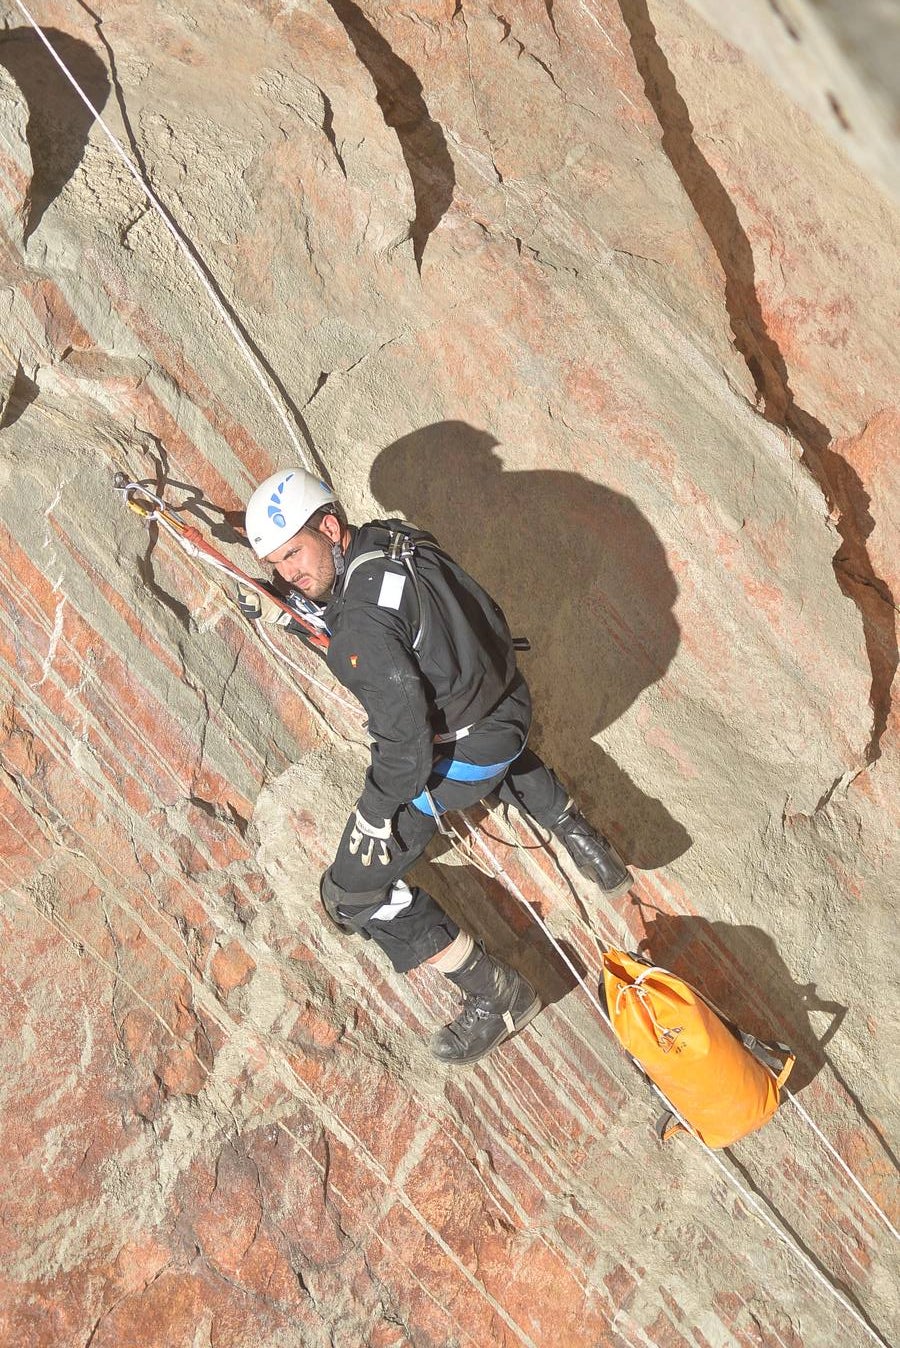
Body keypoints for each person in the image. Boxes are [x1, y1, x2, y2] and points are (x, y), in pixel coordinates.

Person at [238, 468, 632, 1065]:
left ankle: (496, 996)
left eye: (293, 554)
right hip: (508, 704)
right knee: (463, 723)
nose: (289, 573)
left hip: (468, 752)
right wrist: (294, 613)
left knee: (351, 894)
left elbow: (406, 748)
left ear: (328, 526)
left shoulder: (362, 626)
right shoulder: (393, 540)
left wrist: (375, 814)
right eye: (277, 565)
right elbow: (385, 617)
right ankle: (575, 828)